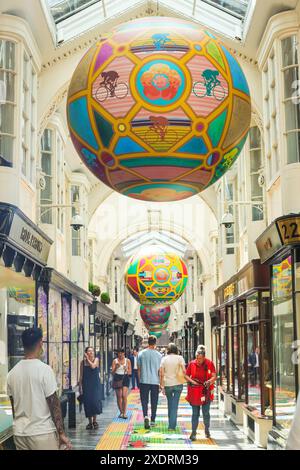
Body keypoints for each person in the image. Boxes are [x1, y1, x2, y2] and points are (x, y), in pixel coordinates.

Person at [7, 327, 72, 451]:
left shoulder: (11, 374)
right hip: (42, 433)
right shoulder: (44, 370)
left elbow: (13, 407)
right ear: (41, 343)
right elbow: (54, 404)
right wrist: (61, 433)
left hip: (20, 434)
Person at [185, 345, 217, 441]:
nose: (198, 360)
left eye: (200, 359)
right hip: (195, 392)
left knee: (206, 412)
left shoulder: (209, 363)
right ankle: (193, 432)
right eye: (197, 358)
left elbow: (214, 376)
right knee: (195, 413)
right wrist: (192, 381)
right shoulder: (192, 364)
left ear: (204, 357)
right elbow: (186, 375)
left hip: (206, 391)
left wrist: (209, 382)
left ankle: (207, 429)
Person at [160, 343, 186, 430]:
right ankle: (172, 425)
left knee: (170, 404)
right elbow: (184, 371)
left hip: (168, 384)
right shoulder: (180, 358)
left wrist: (161, 385)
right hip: (178, 383)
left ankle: (171, 424)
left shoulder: (164, 359)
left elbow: (161, 373)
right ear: (176, 350)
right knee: (175, 405)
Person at [138, 336, 162, 429]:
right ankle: (153, 420)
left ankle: (145, 416)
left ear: (148, 342)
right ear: (155, 343)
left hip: (144, 380)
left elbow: (139, 369)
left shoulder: (141, 354)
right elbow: (160, 371)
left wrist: (140, 380)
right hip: (155, 381)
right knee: (154, 401)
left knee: (144, 400)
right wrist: (161, 383)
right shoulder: (159, 355)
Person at [79, 347, 102, 430]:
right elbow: (81, 375)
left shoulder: (96, 359)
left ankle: (95, 421)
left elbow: (92, 366)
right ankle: (90, 422)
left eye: (92, 351)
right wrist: (80, 387)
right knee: (88, 403)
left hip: (95, 384)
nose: (91, 352)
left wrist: (87, 359)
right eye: (89, 351)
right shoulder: (82, 363)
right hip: (86, 385)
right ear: (86, 353)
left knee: (95, 402)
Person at [112, 348, 132, 419]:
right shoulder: (115, 361)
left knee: (124, 396)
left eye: (121, 353)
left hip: (125, 377)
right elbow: (113, 373)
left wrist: (127, 369)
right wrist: (115, 368)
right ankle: (121, 412)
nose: (120, 355)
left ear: (124, 353)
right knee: (119, 396)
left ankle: (124, 412)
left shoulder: (128, 361)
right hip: (117, 378)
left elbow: (130, 372)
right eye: (119, 353)